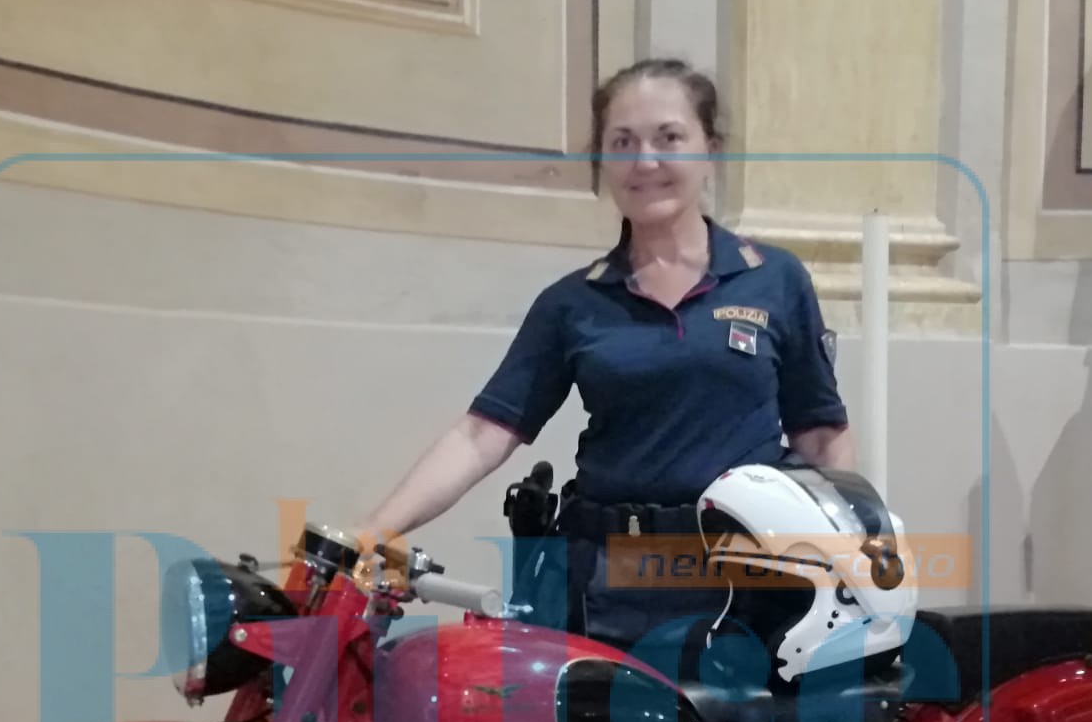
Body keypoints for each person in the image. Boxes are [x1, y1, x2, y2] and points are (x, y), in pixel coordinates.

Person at [357, 59, 854, 680]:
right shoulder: (573, 303)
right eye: (622, 142)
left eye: (669, 137)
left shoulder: (774, 279)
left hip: (748, 580)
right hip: (607, 583)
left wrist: (856, 563)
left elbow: (821, 434)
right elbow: (483, 434)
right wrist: (375, 530)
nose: (645, 161)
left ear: (710, 149)